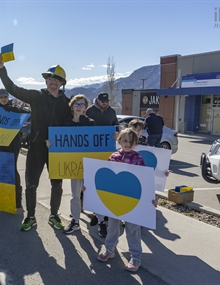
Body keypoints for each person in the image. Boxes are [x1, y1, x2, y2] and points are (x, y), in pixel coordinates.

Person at [0, 54, 71, 231]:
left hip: (57, 151)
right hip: (36, 148)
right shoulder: (36, 96)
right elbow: (12, 88)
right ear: (46, 80)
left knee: (57, 185)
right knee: (31, 184)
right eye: (51, 78)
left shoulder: (67, 103)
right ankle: (30, 216)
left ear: (62, 83)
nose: (53, 82)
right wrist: (1, 69)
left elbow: (76, 123)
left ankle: (54, 215)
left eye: (57, 79)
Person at [97, 128, 158, 272]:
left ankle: (136, 256)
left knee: (132, 229)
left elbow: (145, 181)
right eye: (125, 141)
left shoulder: (138, 159)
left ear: (135, 143)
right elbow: (105, 177)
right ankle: (109, 249)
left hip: (133, 200)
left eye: (131, 141)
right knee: (112, 226)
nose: (128, 144)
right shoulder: (113, 157)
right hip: (115, 199)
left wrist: (153, 197)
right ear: (119, 141)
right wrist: (91, 189)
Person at [53, 94, 95, 234]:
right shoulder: (65, 123)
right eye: (76, 104)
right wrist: (51, 143)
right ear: (72, 106)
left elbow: (97, 142)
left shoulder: (90, 123)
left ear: (85, 108)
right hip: (74, 165)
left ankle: (101, 222)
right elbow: (60, 141)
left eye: (82, 104)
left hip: (88, 164)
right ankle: (75, 221)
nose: (79, 107)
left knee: (94, 194)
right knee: (75, 195)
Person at [0, 88, 30, 208]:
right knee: (1, 169)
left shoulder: (14, 109)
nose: (4, 99)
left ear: (8, 97)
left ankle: (17, 199)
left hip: (13, 143)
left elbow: (28, 114)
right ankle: (3, 196)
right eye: (1, 97)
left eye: (5, 97)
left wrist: (21, 108)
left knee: (12, 169)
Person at [85, 92, 119, 237]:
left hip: (106, 151)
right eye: (102, 101)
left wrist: (117, 132)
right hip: (91, 150)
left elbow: (116, 125)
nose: (105, 103)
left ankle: (102, 214)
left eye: (106, 101)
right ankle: (94, 213)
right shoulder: (90, 111)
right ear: (97, 100)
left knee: (103, 183)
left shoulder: (112, 111)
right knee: (89, 184)